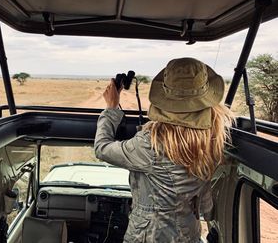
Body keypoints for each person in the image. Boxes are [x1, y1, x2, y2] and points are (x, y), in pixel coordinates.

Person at [94, 58, 234, 242]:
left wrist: (111, 108)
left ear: (164, 98)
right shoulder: (213, 140)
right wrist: (208, 216)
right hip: (188, 234)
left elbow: (102, 148)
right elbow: (205, 194)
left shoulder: (150, 145)